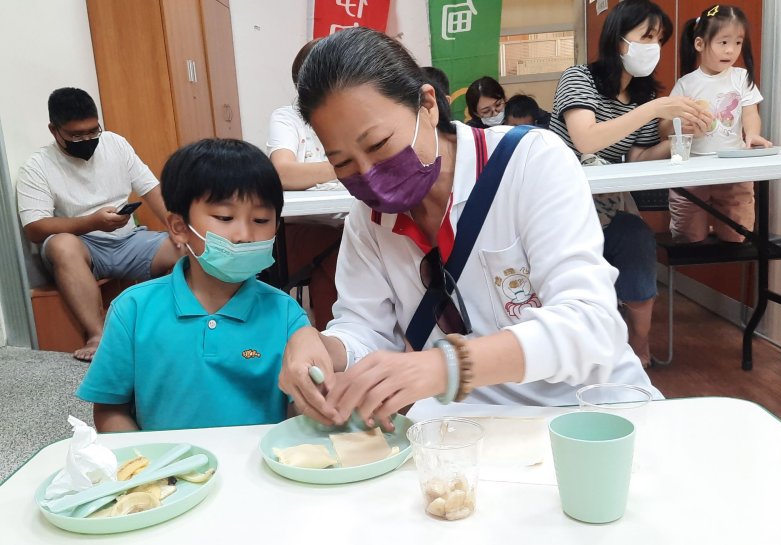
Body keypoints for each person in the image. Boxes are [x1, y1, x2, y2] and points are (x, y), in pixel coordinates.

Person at [278, 27, 659, 429]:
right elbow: (366, 329)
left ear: (427, 105)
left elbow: (590, 325)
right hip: (468, 430)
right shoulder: (367, 220)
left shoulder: (530, 162)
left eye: (378, 145)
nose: (369, 178)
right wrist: (323, 346)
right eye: (343, 164)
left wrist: (446, 366)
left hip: (590, 414)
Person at [76, 139, 311, 431]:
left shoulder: (286, 313)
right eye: (225, 217)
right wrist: (152, 470)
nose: (244, 235)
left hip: (258, 469)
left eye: (261, 219)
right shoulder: (133, 309)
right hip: (167, 472)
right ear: (179, 227)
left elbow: (298, 413)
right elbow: (111, 410)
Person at [549, 0, 709, 368]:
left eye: (659, 39)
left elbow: (636, 157)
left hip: (604, 212)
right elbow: (586, 140)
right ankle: (569, 353)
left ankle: (638, 343)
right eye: (646, 36)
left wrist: (684, 139)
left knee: (637, 237)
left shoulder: (644, 95)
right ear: (618, 40)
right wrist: (653, 110)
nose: (653, 47)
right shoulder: (579, 78)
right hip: (557, 213)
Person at [16, 88, 182, 362]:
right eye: (77, 135)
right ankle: (98, 334)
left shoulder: (115, 143)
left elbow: (152, 190)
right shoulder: (37, 166)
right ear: (54, 130)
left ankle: (177, 328)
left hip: (130, 240)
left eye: (93, 132)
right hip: (82, 247)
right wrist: (92, 222)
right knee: (61, 245)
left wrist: (180, 230)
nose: (88, 140)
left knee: (186, 248)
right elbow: (34, 228)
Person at [666, 5, 769, 243]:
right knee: (689, 237)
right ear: (700, 44)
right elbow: (668, 124)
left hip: (733, 169)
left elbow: (750, 113)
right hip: (693, 171)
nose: (731, 50)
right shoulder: (685, 84)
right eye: (723, 42)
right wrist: (682, 124)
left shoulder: (742, 77)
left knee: (736, 236)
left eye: (738, 42)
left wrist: (752, 134)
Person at [267, 39, 342, 329]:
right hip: (299, 229)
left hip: (349, 221)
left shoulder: (351, 115)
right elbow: (283, 173)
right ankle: (334, 340)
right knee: (340, 250)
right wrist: (344, 167)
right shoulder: (289, 118)